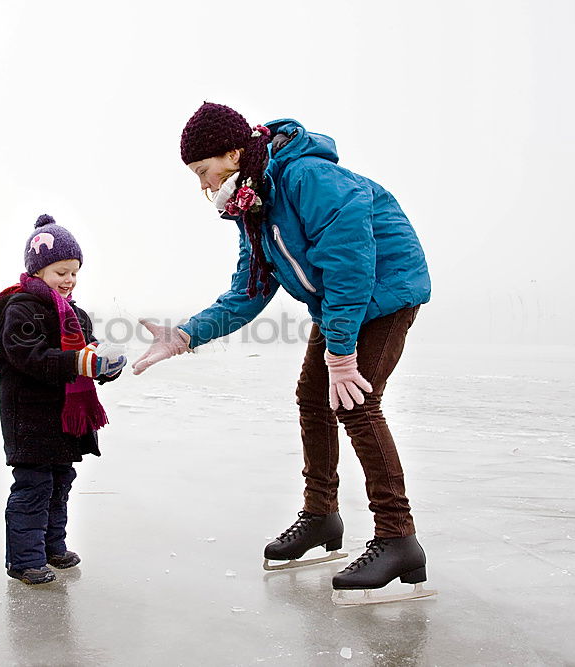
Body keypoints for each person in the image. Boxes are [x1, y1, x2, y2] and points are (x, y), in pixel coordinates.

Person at [132, 102, 432, 599]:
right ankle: (321, 517)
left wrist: (341, 355)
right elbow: (249, 290)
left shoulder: (307, 178)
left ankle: (399, 538)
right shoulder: (256, 204)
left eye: (203, 172)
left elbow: (350, 264)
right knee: (313, 399)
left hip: (385, 291)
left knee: (356, 401)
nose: (203, 186)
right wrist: (185, 336)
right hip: (339, 301)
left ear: (232, 154)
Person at [0, 214, 126, 585]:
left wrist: (104, 366)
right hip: (29, 418)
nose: (69, 280)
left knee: (60, 483)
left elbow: (85, 359)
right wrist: (79, 360)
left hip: (63, 421)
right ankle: (24, 561)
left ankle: (52, 547)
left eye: (74, 272)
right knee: (33, 487)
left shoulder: (76, 315)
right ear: (38, 270)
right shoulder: (20, 308)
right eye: (61, 272)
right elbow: (28, 356)